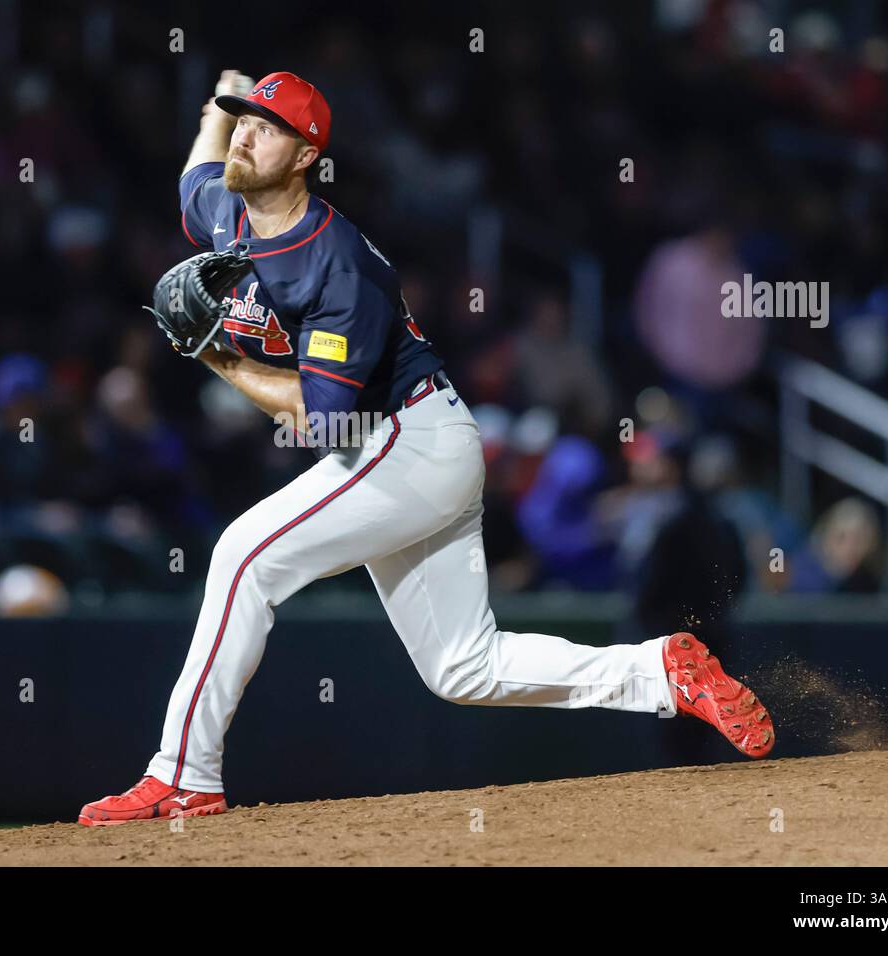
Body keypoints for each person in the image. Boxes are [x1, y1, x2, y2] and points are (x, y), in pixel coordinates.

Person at [78, 70, 775, 826]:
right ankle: (660, 671)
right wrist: (218, 105)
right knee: (462, 666)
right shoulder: (230, 211)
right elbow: (193, 181)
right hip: (401, 446)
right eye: (244, 124)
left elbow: (323, 422)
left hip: (408, 439)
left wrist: (221, 359)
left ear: (307, 154)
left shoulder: (337, 266)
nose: (245, 136)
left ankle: (185, 774)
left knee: (242, 557)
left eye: (265, 127)